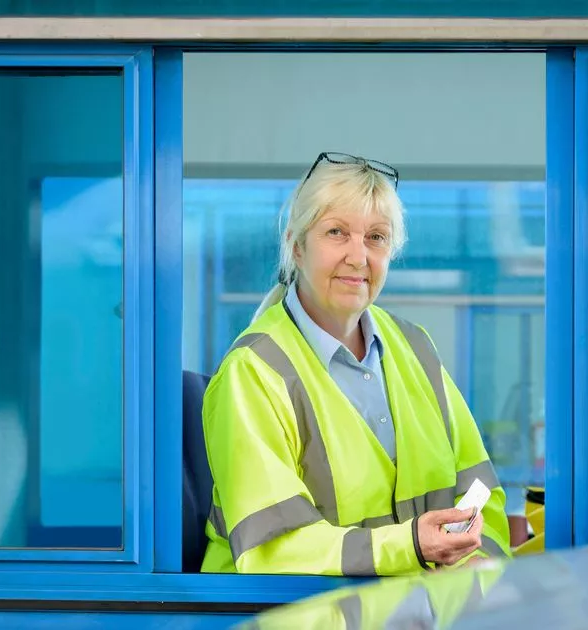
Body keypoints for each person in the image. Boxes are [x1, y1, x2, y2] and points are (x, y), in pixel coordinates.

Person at [201, 151, 510, 576]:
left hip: (412, 607)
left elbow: (481, 492)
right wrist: (411, 546)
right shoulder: (253, 372)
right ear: (296, 246)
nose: (358, 256)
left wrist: (472, 577)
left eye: (376, 237)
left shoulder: (415, 346)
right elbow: (272, 550)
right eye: (337, 232)